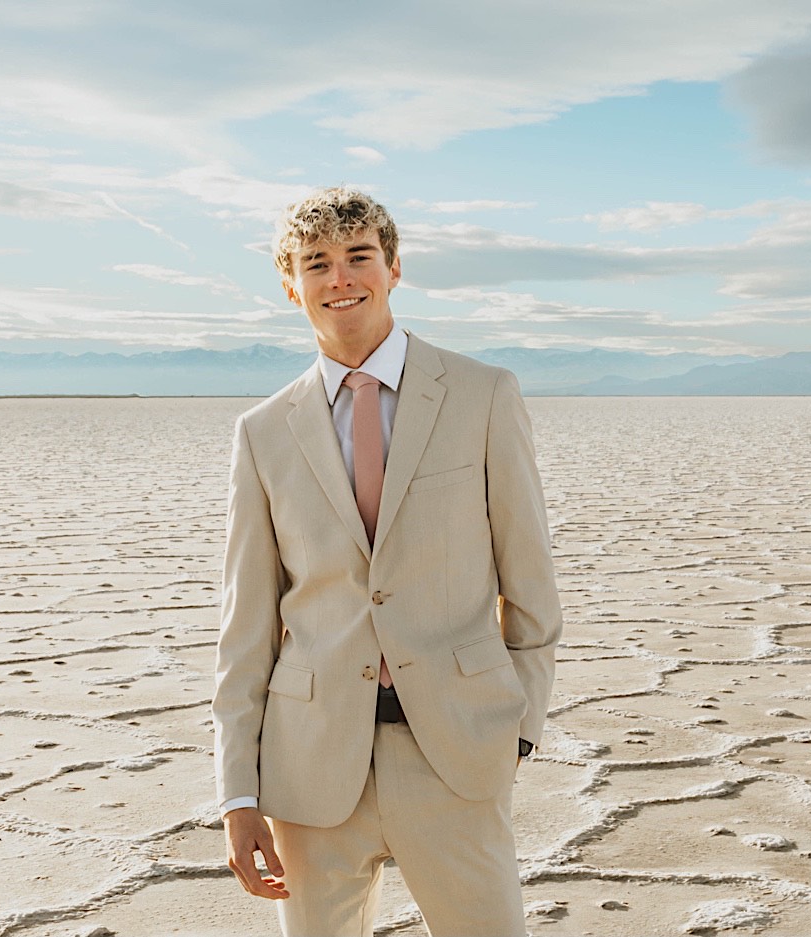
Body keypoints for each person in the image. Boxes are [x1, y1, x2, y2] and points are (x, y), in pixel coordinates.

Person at [212, 187, 561, 936]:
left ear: (394, 268)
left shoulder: (483, 395)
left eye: (358, 257)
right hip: (309, 767)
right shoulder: (264, 431)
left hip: (455, 753)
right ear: (291, 285)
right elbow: (245, 631)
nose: (341, 279)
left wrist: (519, 724)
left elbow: (531, 588)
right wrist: (238, 790)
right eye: (318, 264)